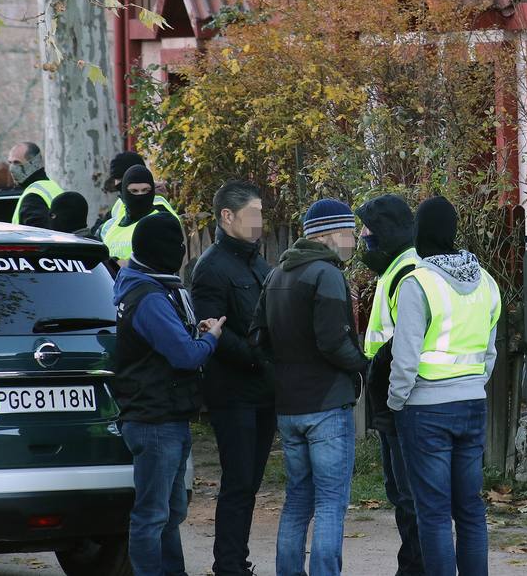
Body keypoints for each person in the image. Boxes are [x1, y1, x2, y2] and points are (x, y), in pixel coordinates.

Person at [250, 199, 366, 576]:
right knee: (332, 503)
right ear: (329, 234)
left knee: (297, 500)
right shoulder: (326, 274)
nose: (353, 241)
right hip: (327, 405)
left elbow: (258, 337)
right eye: (349, 233)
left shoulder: (276, 274)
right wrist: (363, 365)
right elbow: (333, 342)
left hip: (289, 407)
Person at [390, 196, 502, 576]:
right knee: (470, 509)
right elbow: (490, 352)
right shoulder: (486, 281)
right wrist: (471, 385)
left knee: (434, 513)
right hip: (472, 404)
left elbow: (404, 359)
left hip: (424, 410)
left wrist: (396, 402)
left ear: (420, 234)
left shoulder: (417, 283)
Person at [112, 212, 225, 576]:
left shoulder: (149, 286)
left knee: (171, 511)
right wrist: (210, 338)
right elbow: (185, 355)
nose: (181, 252)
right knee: (153, 514)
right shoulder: (149, 297)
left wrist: (195, 332)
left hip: (166, 415)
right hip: (154, 418)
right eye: (176, 246)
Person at [191, 181, 274, 576]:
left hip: (263, 391)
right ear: (227, 216)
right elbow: (216, 334)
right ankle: (228, 565)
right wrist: (260, 360)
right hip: (233, 392)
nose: (260, 222)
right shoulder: (210, 267)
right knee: (238, 482)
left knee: (251, 482)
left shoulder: (259, 262)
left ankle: (235, 560)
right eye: (253, 214)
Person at [356, 194, 425, 576]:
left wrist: (394, 399)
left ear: (387, 230)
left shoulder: (406, 272)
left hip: (401, 401)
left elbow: (405, 343)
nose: (363, 235)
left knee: (408, 495)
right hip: (389, 399)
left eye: (368, 227)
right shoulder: (394, 269)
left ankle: (416, 567)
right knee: (399, 493)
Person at [99, 165, 170, 265]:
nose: (140, 196)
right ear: (124, 193)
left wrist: (115, 264)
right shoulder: (111, 228)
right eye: (134, 191)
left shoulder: (161, 222)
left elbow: (154, 263)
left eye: (146, 190)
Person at [7, 141, 63, 228]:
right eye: (10, 163)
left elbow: (39, 237)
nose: (12, 168)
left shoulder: (33, 197)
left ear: (35, 163)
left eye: (17, 162)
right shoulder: (51, 186)